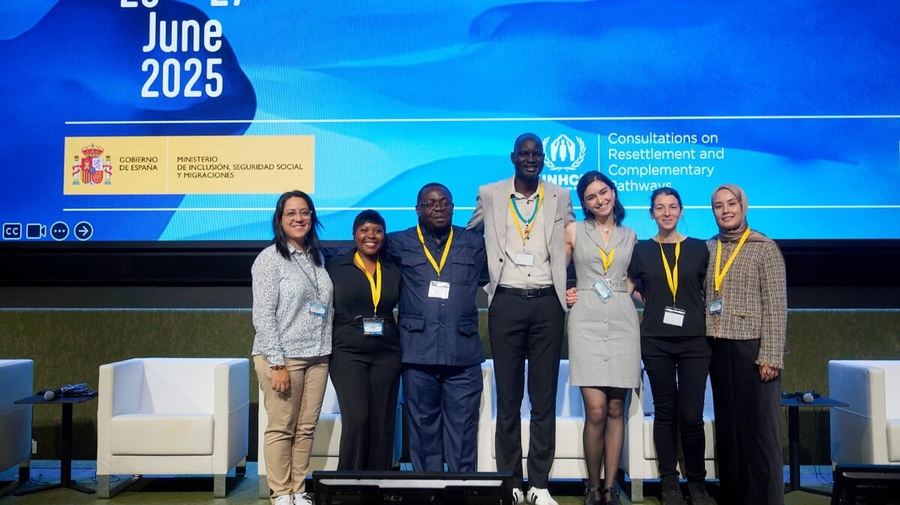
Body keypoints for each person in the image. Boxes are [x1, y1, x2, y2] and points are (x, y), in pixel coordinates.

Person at [467, 133, 575, 505]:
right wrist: (481, 282)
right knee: (508, 399)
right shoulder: (491, 193)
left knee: (543, 399)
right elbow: (469, 238)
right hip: (506, 303)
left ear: (544, 158)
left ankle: (540, 484)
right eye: (524, 154)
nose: (531, 159)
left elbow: (574, 240)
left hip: (547, 303)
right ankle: (511, 481)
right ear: (513, 157)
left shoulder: (560, 195)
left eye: (537, 154)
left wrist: (571, 282)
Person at [385, 182, 487, 472]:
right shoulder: (397, 243)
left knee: (464, 432)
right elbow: (358, 252)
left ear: (454, 208)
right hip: (418, 354)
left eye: (444, 202)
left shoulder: (474, 242)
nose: (438, 207)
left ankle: (461, 494)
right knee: (423, 431)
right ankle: (428, 493)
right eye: (429, 203)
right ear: (417, 210)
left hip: (463, 354)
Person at [627, 187, 711, 505]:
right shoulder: (642, 250)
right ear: (651, 214)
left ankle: (698, 484)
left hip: (694, 341)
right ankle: (669, 483)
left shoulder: (700, 249)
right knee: (665, 413)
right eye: (659, 207)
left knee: (690, 415)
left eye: (672, 207)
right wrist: (645, 300)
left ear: (681, 211)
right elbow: (625, 285)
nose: (666, 212)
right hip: (655, 341)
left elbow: (710, 289)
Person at [705, 184, 787, 505]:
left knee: (760, 432)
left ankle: (764, 498)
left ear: (743, 206)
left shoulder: (764, 248)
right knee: (729, 428)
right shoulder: (710, 248)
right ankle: (734, 496)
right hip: (718, 346)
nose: (725, 210)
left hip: (753, 349)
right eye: (718, 206)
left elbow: (777, 305)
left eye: (731, 204)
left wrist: (770, 355)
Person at [251, 190, 333, 505]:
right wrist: (277, 363)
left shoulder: (318, 256)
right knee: (282, 427)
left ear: (312, 217)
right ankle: (280, 492)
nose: (298, 219)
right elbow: (263, 315)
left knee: (306, 428)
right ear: (280, 219)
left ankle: (298, 489)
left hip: (318, 356)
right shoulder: (269, 259)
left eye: (304, 212)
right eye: (291, 214)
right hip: (283, 357)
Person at [563, 171, 640, 505]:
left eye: (604, 192)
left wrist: (631, 292)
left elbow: (633, 279)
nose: (600, 200)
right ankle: (592, 487)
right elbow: (555, 268)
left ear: (613, 192)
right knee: (595, 411)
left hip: (623, 321)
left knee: (614, 408)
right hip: (586, 321)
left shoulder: (631, 234)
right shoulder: (574, 230)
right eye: (591, 196)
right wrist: (565, 291)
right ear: (584, 203)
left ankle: (611, 488)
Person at [325, 210, 403, 471]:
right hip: (348, 351)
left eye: (378, 230)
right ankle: (348, 485)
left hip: (387, 352)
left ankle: (378, 483)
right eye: (365, 230)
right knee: (357, 418)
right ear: (354, 235)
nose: (371, 236)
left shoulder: (393, 268)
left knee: (382, 421)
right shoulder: (336, 266)